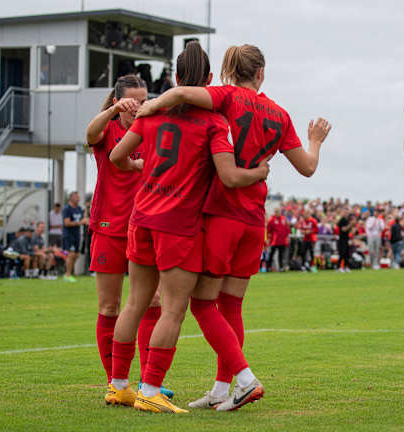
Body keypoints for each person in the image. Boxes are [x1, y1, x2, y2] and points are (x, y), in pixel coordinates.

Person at [137, 43, 331, 410]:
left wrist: (152, 106)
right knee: (232, 306)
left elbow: (179, 92)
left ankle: (245, 380)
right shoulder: (280, 113)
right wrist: (315, 142)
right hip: (254, 220)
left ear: (229, 71)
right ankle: (222, 390)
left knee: (202, 304)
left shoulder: (227, 97)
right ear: (261, 73)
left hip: (222, 215)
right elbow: (307, 168)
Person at [107, 42, 270, 413]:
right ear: (209, 81)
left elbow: (117, 156)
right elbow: (228, 175)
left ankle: (118, 386)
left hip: (141, 217)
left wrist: (138, 166)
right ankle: (150, 389)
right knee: (174, 309)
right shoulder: (214, 123)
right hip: (177, 226)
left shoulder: (150, 116)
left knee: (133, 303)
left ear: (177, 78)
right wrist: (259, 172)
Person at [85, 74, 166, 398]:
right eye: (132, 101)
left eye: (144, 99)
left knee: (154, 302)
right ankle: (116, 382)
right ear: (119, 101)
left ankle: (149, 382)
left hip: (144, 226)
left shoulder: (150, 128)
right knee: (109, 307)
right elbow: (90, 133)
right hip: (108, 226)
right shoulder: (108, 130)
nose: (139, 106)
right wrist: (112, 109)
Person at [62, 192, 88, 282]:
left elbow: (83, 218)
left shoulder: (79, 208)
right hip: (69, 235)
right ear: (71, 198)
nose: (78, 199)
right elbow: (67, 223)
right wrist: (80, 223)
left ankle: (69, 272)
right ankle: (67, 274)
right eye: (77, 197)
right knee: (70, 254)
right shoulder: (67, 209)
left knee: (76, 255)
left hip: (77, 234)